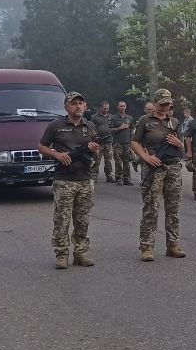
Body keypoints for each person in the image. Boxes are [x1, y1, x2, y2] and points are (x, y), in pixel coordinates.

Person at [38, 91, 100, 269]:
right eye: (74, 103)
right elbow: (41, 147)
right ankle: (61, 254)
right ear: (66, 106)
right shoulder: (55, 126)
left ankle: (80, 253)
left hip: (85, 179)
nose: (78, 106)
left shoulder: (90, 127)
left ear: (85, 106)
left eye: (81, 103)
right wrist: (57, 155)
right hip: (64, 180)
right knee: (62, 219)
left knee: (82, 219)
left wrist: (94, 149)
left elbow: (96, 150)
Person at [131, 88, 187, 261]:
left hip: (173, 167)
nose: (164, 108)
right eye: (161, 104)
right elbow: (134, 142)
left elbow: (182, 145)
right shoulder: (145, 121)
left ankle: (173, 244)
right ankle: (147, 247)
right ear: (154, 104)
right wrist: (146, 157)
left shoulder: (175, 122)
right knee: (151, 208)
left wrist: (180, 143)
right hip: (153, 169)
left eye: (167, 105)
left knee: (173, 208)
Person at [109, 100, 134, 185]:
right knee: (118, 161)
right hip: (117, 143)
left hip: (127, 142)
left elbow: (131, 130)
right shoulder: (113, 118)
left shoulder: (129, 118)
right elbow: (110, 130)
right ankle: (119, 178)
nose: (122, 108)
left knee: (127, 161)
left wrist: (132, 141)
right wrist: (120, 128)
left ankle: (127, 178)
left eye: (124, 106)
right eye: (121, 106)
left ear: (126, 107)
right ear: (117, 107)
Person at [90, 101, 115, 183]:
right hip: (99, 141)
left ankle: (109, 176)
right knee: (97, 159)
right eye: (105, 108)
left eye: (107, 108)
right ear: (100, 108)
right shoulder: (94, 117)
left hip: (109, 141)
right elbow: (92, 129)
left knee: (109, 160)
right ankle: (94, 176)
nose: (106, 110)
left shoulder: (111, 117)